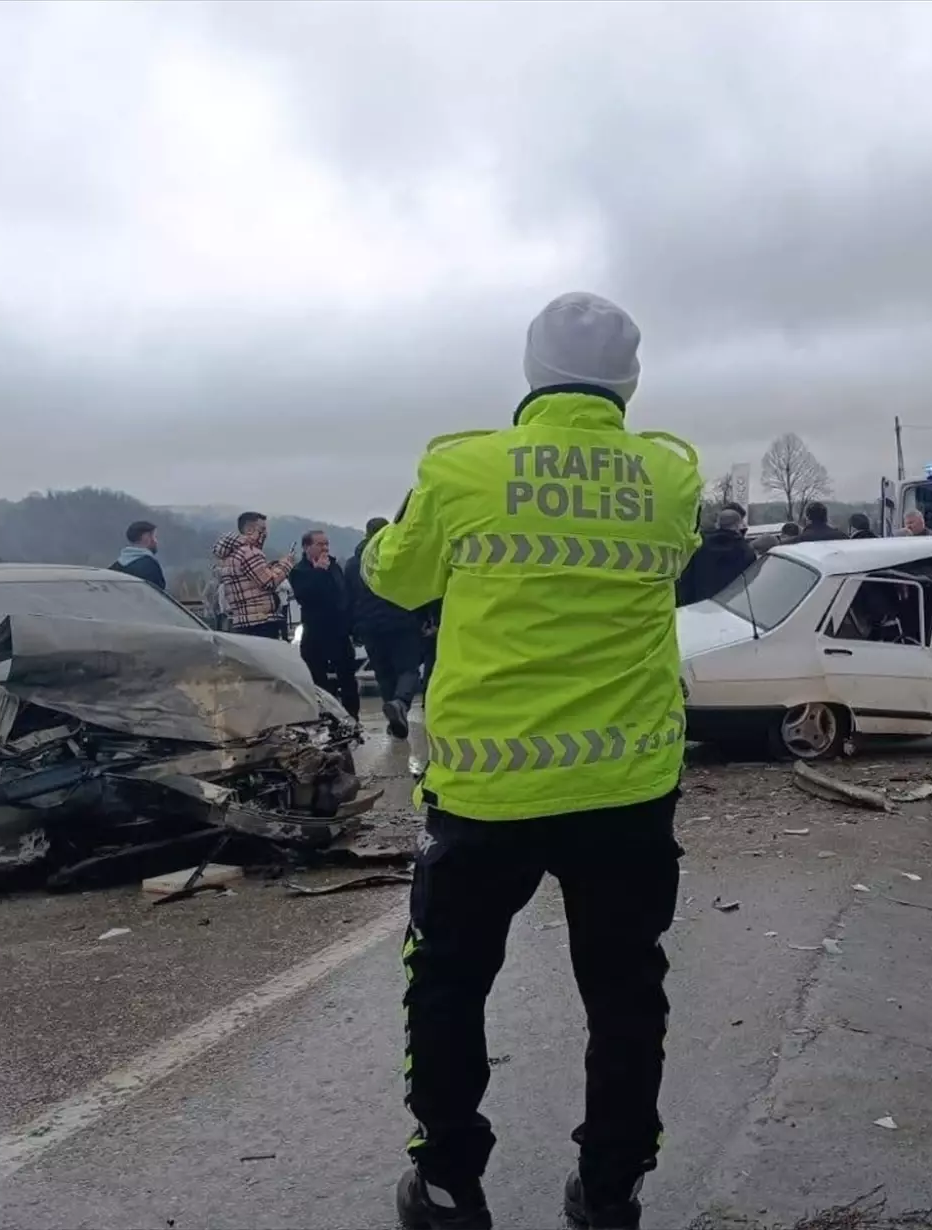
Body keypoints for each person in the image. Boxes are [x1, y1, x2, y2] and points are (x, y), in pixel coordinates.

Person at [362, 292, 702, 1230]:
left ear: (530, 372)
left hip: (487, 790)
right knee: (625, 991)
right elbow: (678, 562)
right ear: (630, 381)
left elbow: (396, 577)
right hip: (626, 787)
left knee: (449, 982)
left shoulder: (461, 468)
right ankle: (612, 1190)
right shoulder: (669, 476)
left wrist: (389, 534)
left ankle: (447, 1185)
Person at [345, 516, 423, 738]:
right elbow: (416, 588)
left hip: (369, 627)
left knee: (384, 674)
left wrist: (353, 628)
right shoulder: (399, 557)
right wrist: (424, 617)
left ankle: (396, 721)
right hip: (401, 622)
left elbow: (348, 599)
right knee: (408, 669)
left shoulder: (353, 564)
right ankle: (400, 704)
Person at [289, 530, 360, 719]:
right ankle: (327, 718)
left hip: (338, 631)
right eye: (320, 544)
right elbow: (305, 597)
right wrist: (319, 572)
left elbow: (343, 594)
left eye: (327, 544)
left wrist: (350, 624)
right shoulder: (299, 571)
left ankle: (353, 718)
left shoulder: (334, 566)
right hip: (315, 632)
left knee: (348, 678)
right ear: (307, 547)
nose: (325, 548)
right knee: (318, 679)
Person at [212, 512, 295, 638]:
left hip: (240, 621)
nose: (265, 533)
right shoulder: (250, 552)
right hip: (260, 621)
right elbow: (269, 582)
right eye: (262, 529)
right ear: (250, 530)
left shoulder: (229, 555)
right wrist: (286, 565)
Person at [676, 508, 755, 606]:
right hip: (731, 605)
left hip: (699, 604)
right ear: (738, 525)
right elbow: (750, 583)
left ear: (717, 524)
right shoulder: (745, 551)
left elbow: (687, 576)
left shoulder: (700, 545)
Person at [108, 521, 166, 590]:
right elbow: (159, 591)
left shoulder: (115, 566)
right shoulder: (150, 565)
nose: (156, 541)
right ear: (146, 538)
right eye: (155, 537)